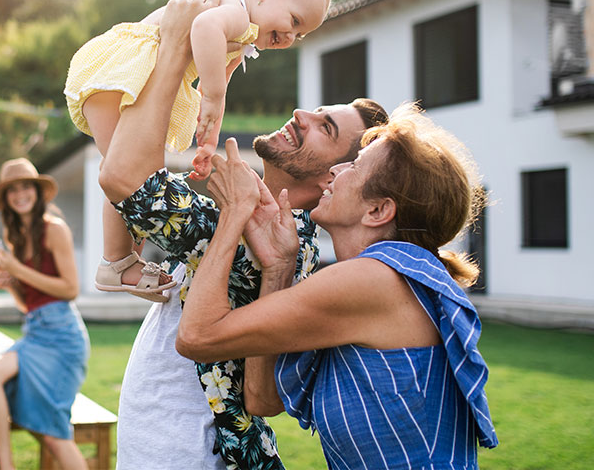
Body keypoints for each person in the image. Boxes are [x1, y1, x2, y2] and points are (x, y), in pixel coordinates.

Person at [97, 0, 388, 469]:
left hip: (190, 449)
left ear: (331, 176)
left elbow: (124, 178)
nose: (301, 115)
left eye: (325, 128)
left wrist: (172, 45)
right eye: (317, 110)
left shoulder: (260, 229)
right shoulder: (257, 214)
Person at [176, 104, 500, 468]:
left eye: (354, 167)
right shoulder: (388, 279)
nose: (334, 171)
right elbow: (262, 399)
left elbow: (197, 338)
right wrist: (279, 267)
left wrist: (234, 212)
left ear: (378, 211)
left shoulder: (372, 281)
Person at [65, 0, 332, 302]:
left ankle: (119, 261)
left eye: (300, 34)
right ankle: (116, 262)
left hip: (134, 73)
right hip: (126, 70)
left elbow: (215, 84)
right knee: (130, 169)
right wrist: (215, 96)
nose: (291, 36)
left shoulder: (242, 29)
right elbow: (204, 33)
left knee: (137, 167)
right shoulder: (235, 9)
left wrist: (208, 138)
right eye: (294, 21)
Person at [0, 157, 90, 470]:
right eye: (12, 190)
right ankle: (6, 465)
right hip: (35, 332)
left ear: (37, 192)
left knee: (53, 434)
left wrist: (17, 270)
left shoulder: (55, 229)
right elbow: (28, 304)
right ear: (6, 200)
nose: (20, 194)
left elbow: (70, 289)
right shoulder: (16, 238)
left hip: (62, 338)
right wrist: (10, 284)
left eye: (26, 186)